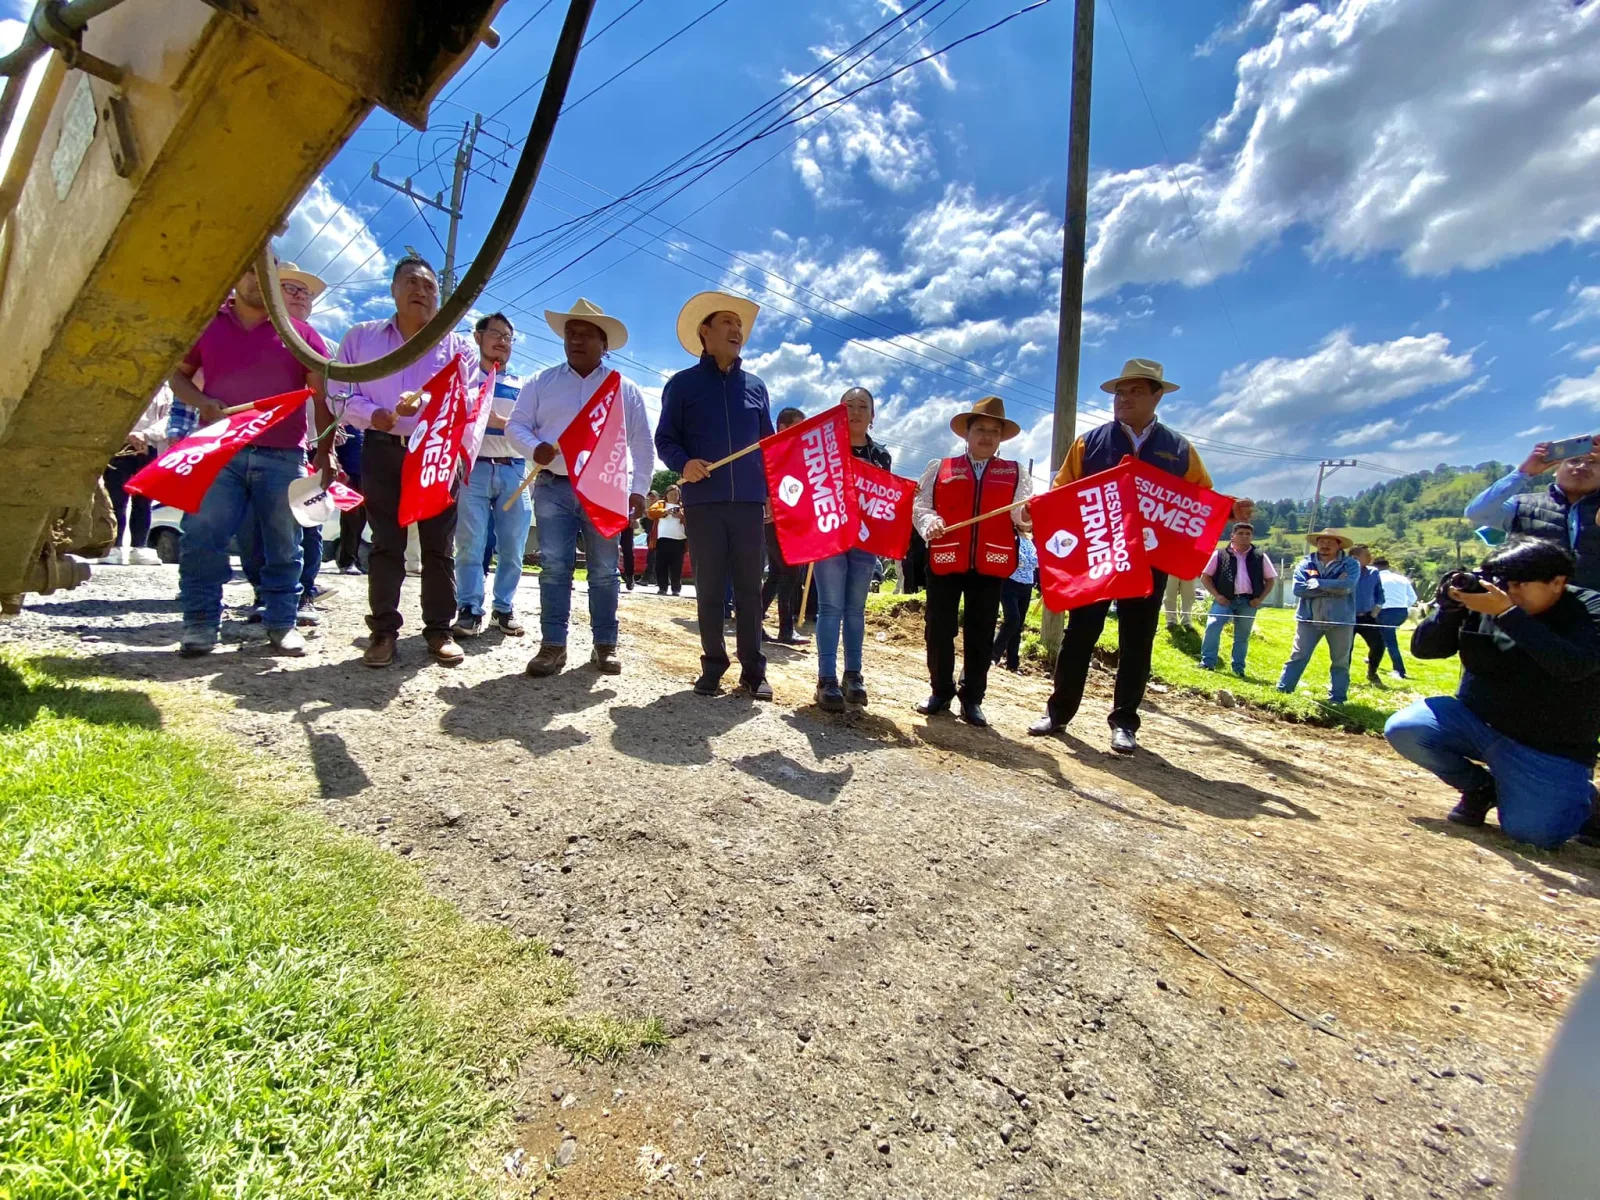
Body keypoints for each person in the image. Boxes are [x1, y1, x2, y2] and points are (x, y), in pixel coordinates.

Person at [1029, 358, 1240, 753]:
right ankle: (1058, 713)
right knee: (1079, 636)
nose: (1124, 399)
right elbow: (1061, 490)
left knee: (1137, 640)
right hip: (1096, 557)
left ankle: (1124, 722)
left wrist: (1229, 509)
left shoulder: (1179, 450)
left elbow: (1200, 502)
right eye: (1120, 393)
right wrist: (1037, 508)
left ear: (1157, 397)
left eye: (1135, 392)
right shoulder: (1088, 444)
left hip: (1149, 561)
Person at [1385, 538, 1600, 849]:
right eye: (1502, 582)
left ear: (1558, 582)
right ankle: (1482, 789)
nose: (1507, 591)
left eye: (1519, 584)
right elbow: (1426, 650)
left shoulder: (1589, 609)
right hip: (1477, 723)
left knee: (1536, 835)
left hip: (1549, 745)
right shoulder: (1487, 601)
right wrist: (1449, 610)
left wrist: (1508, 614)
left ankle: (1586, 802)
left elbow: (1572, 665)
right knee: (1406, 729)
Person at [169, 261, 331, 657]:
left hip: (284, 454)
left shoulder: (302, 334)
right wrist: (202, 401)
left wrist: (326, 454)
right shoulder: (208, 323)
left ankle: (281, 623)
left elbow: (323, 396)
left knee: (284, 543)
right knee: (203, 536)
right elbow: (177, 375)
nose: (257, 282)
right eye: (248, 273)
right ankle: (201, 623)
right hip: (220, 450)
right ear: (234, 277)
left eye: (267, 277)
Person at [335, 254, 479, 668]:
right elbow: (339, 393)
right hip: (382, 448)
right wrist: (371, 415)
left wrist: (433, 410)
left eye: (430, 286)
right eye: (412, 283)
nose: (421, 292)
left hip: (435, 454)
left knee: (439, 546)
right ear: (394, 290)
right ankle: (382, 631)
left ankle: (438, 630)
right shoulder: (361, 339)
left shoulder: (457, 346)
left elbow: (466, 402)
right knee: (386, 544)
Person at [508, 299, 651, 677]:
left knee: (604, 570)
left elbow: (641, 444)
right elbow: (516, 425)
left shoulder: (624, 389)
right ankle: (552, 645)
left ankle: (605, 646)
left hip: (606, 488)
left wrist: (639, 489)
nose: (576, 340)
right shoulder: (540, 382)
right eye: (571, 333)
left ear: (605, 345)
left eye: (587, 334)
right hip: (553, 485)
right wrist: (532, 447)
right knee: (554, 566)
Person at [655, 291, 775, 699]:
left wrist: (772, 493)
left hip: (748, 505)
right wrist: (684, 463)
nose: (736, 330)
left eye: (739, 325)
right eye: (727, 322)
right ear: (704, 331)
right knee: (708, 588)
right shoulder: (682, 385)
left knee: (748, 589)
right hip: (703, 503)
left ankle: (754, 671)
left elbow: (769, 446)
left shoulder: (756, 387)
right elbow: (665, 439)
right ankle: (713, 665)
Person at [913, 396, 1033, 727]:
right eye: (980, 429)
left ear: (1001, 437)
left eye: (994, 431)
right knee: (939, 629)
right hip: (945, 557)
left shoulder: (1014, 473)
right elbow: (920, 506)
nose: (987, 436)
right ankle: (940, 691)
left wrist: (1029, 515)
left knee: (980, 634)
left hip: (991, 562)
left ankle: (972, 699)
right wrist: (929, 523)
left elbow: (1021, 518)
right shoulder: (941, 468)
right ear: (967, 433)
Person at [450, 312, 532, 640]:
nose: (502, 341)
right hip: (473, 467)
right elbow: (458, 417)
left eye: (508, 337)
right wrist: (497, 421)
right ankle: (469, 608)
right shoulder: (464, 381)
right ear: (478, 337)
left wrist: (505, 424)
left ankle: (503, 608)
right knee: (470, 543)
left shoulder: (522, 387)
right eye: (495, 334)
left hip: (514, 470)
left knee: (513, 545)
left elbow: (530, 428)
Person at [814, 388, 892, 711]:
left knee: (855, 610)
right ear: (838, 411)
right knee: (831, 607)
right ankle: (826, 679)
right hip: (830, 538)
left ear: (873, 416)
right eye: (849, 406)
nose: (856, 411)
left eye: (863, 407)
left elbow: (886, 500)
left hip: (864, 542)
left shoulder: (882, 457)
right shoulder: (824, 450)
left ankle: (853, 676)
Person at [1465, 436, 1600, 589]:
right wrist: (1524, 472)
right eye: (1574, 461)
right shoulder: (1521, 505)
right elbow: (1477, 513)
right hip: (1530, 607)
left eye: (1593, 462)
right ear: (1555, 470)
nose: (1582, 466)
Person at [1275, 529, 1361, 703]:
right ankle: (1283, 691)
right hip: (1308, 618)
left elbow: (1348, 586)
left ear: (1339, 545)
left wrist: (1317, 583)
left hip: (1341, 620)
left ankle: (1338, 699)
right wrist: (1334, 587)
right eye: (1321, 541)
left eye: (1330, 542)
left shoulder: (1351, 564)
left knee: (1340, 661)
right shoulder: (1305, 563)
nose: (1324, 545)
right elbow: (1298, 589)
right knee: (1298, 656)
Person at [101, 386, 171, 565]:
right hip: (119, 446)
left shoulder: (164, 389)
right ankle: (113, 547)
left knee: (144, 500)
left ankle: (139, 547)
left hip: (149, 447)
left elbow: (167, 418)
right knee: (116, 499)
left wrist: (145, 435)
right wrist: (128, 434)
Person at [1198, 521, 1277, 676]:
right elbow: (1205, 577)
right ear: (1232, 536)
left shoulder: (1260, 556)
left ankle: (1238, 669)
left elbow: (1270, 580)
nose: (1244, 536)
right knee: (1213, 626)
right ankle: (1207, 662)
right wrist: (1217, 596)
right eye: (1240, 533)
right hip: (1224, 599)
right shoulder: (1220, 554)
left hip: (1249, 601)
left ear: (1252, 536)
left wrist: (1260, 599)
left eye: (1248, 534)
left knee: (1242, 636)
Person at [761, 405, 809, 646]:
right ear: (782, 427)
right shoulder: (774, 450)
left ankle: (754, 621)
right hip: (775, 520)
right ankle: (786, 630)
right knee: (788, 572)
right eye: (797, 427)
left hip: (787, 521)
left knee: (778, 574)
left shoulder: (793, 452)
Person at [992, 531, 1038, 674]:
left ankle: (1012, 664)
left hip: (1027, 585)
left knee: (1018, 625)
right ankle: (993, 655)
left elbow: (1036, 562)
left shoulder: (1030, 541)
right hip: (1009, 582)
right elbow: (1020, 559)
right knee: (1012, 618)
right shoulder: (1011, 536)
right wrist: (1032, 561)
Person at [1369, 556, 1417, 679]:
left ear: (1375, 567)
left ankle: (1399, 669)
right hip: (1402, 611)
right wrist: (1402, 606)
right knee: (1383, 637)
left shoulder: (1376, 578)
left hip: (1385, 612)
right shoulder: (1402, 578)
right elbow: (1413, 598)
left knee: (1390, 641)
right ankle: (1373, 657)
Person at [1348, 544, 1388, 684]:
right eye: (1366, 555)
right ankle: (1342, 677)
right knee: (1346, 649)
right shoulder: (1346, 572)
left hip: (1367, 617)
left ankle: (1372, 673)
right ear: (1355, 558)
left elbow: (1380, 593)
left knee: (1378, 645)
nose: (1370, 557)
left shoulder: (1373, 572)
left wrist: (1377, 607)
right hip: (1347, 617)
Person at [650, 486, 687, 594]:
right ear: (666, 495)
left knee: (677, 566)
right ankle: (662, 588)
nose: (674, 497)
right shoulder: (661, 504)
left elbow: (692, 521)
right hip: (662, 540)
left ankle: (676, 589)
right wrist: (666, 511)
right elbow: (651, 513)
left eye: (676, 494)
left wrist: (681, 517)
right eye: (671, 494)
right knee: (661, 565)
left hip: (679, 540)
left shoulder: (683, 506)